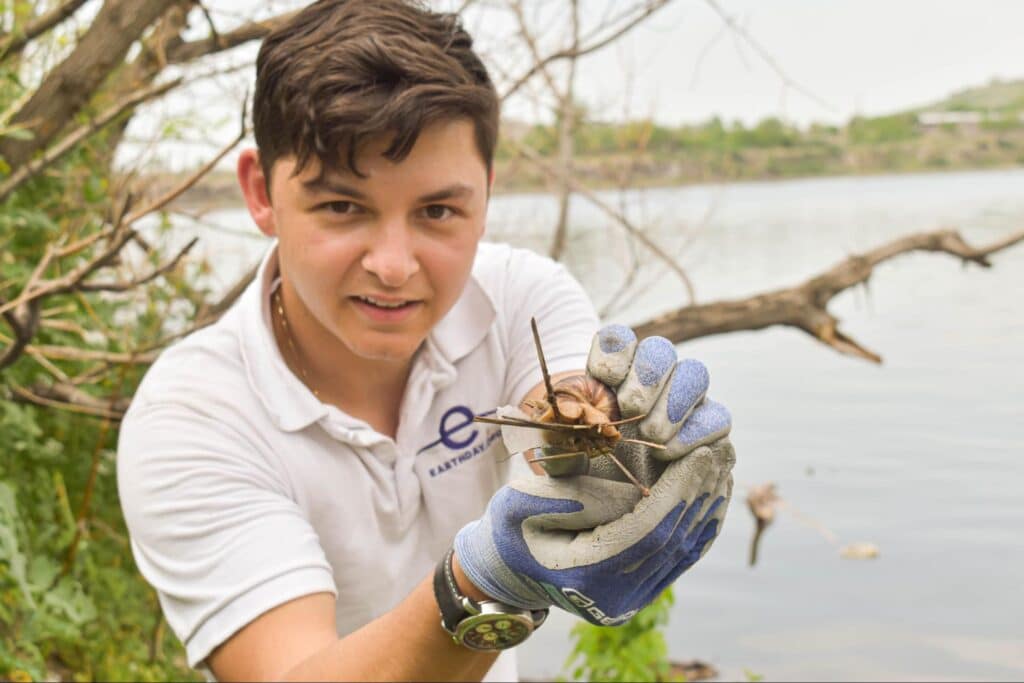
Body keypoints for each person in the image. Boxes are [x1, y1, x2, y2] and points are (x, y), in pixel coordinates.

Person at [116, 1, 736, 681]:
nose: (393, 264)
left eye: (438, 210)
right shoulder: (191, 417)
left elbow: (559, 401)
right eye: (342, 206)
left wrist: (615, 442)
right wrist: (486, 581)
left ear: (487, 194)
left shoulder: (522, 297)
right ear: (261, 193)